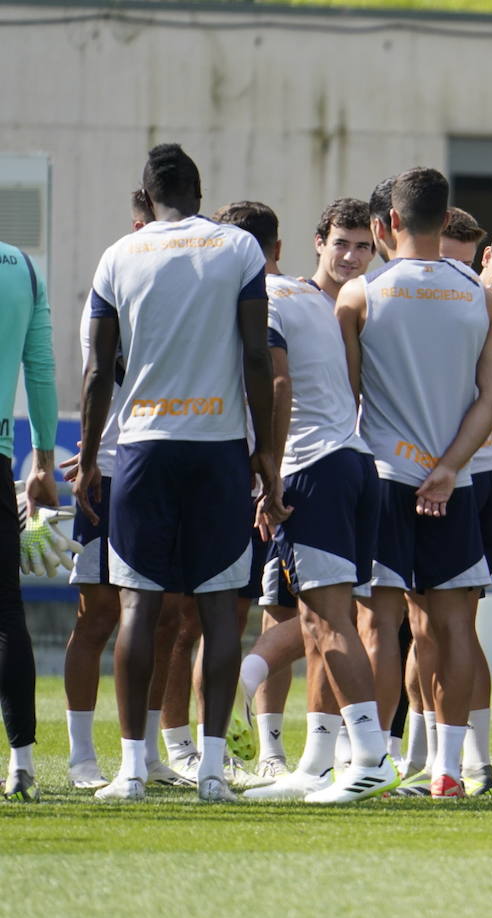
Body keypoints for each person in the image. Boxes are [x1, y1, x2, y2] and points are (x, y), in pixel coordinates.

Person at [75, 143, 283, 802]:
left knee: (139, 606)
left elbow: (94, 373)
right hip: (218, 445)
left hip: (141, 449)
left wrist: (86, 459)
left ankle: (132, 770)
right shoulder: (239, 250)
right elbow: (256, 355)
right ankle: (214, 771)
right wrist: (264, 452)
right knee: (221, 609)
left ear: (148, 192)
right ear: (198, 189)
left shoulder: (117, 255)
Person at [214, 200, 402, 803]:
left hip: (314, 468)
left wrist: (268, 476)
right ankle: (319, 763)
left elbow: (278, 384)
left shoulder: (264, 298)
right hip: (349, 462)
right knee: (325, 623)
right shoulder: (308, 296)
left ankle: (371, 758)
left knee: (328, 620)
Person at [337, 166, 492, 799]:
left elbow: (344, 393)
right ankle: (448, 771)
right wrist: (447, 469)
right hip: (452, 484)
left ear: (389, 223)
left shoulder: (361, 293)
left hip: (383, 475)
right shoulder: (477, 293)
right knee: (454, 626)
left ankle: (371, 765)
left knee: (380, 627)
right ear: (444, 219)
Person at [64, 189, 189, 791]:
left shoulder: (188, 293)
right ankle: (82, 755)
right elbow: (98, 376)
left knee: (167, 616)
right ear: (136, 228)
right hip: (109, 471)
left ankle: (150, 752)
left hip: (165, 470)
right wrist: (85, 457)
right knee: (99, 616)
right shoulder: (108, 291)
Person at [0, 231, 59, 802]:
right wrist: (42, 462)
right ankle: (21, 766)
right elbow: (40, 369)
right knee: (5, 615)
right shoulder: (20, 265)